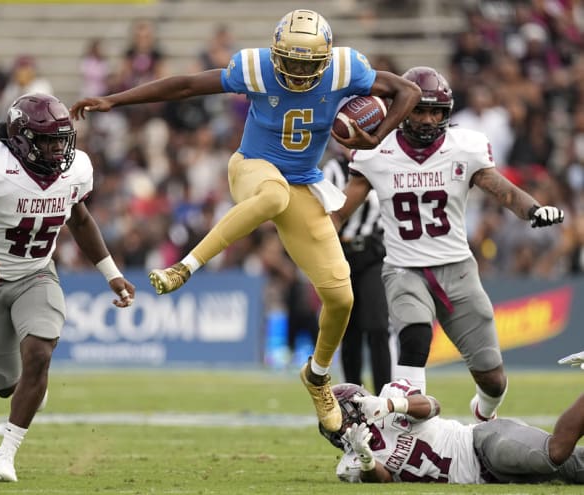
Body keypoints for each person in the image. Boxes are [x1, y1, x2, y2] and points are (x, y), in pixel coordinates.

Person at [70, 9, 421, 432]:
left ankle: (317, 376)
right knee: (271, 194)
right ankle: (186, 266)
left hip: (304, 183)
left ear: (325, 60)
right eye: (288, 61)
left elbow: (408, 91)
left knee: (341, 296)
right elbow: (185, 85)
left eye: (306, 64)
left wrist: (379, 134)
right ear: (275, 55)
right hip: (253, 167)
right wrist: (115, 98)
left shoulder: (347, 67)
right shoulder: (254, 67)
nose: (295, 71)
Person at [331, 66, 564, 421]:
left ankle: (484, 411)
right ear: (402, 109)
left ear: (447, 113)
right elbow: (341, 211)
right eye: (420, 110)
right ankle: (406, 430)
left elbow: (499, 188)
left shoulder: (465, 147)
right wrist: (312, 235)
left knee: (492, 377)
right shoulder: (375, 152)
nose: (427, 119)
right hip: (404, 268)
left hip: (457, 268)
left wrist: (533, 210)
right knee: (414, 336)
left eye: (435, 111)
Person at [0, 93, 135, 482]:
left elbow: (79, 221)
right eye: (48, 139)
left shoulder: (75, 168)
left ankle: (5, 454)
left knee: (40, 351)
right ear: (23, 138)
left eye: (63, 138)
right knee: (5, 384)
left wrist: (111, 272)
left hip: (37, 273)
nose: (59, 146)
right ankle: (29, 391)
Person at [319, 380, 584, 484]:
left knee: (555, 451)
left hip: (481, 445)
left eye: (340, 417)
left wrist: (392, 405)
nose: (340, 428)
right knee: (575, 469)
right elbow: (384, 480)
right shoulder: (349, 463)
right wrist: (366, 458)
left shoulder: (389, 398)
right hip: (490, 479)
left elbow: (433, 406)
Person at [322, 145, 391, 394]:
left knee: (378, 326)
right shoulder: (332, 170)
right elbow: (325, 211)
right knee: (349, 329)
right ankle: (353, 396)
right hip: (341, 253)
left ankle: (385, 394)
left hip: (373, 253)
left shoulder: (380, 164)